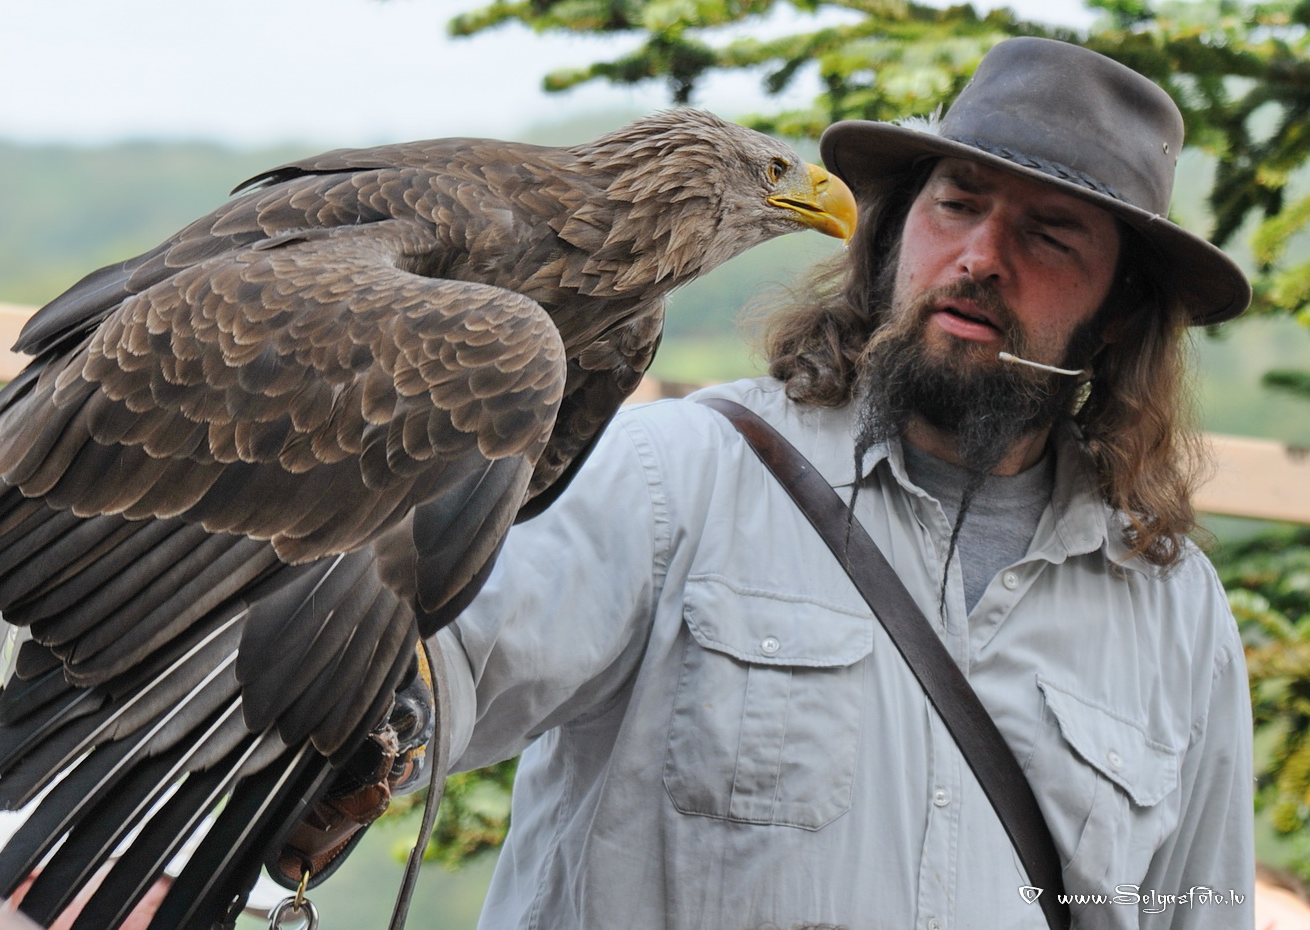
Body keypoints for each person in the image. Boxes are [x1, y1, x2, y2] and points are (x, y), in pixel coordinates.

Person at [428, 36, 1257, 930]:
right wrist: (360, 753)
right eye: (956, 205)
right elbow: (437, 671)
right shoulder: (681, 475)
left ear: (1120, 312)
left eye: (1047, 235)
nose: (978, 256)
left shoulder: (1176, 617)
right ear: (896, 230)